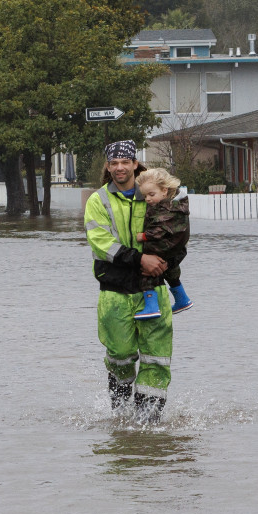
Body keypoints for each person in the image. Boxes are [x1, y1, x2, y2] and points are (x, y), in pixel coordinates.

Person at [84, 140, 172, 423]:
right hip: (115, 290)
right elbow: (100, 244)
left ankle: (148, 424)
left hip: (154, 288)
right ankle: (121, 414)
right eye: (114, 163)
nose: (119, 167)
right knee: (120, 354)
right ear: (108, 167)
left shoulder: (154, 195)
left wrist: (167, 260)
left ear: (135, 163)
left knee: (156, 358)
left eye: (125, 162)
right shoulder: (98, 200)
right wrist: (139, 259)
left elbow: (175, 229)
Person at [133, 168, 193, 320]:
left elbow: (160, 229)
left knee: (146, 271)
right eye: (145, 195)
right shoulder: (177, 204)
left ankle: (151, 306)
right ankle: (182, 299)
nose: (147, 199)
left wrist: (143, 236)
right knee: (170, 271)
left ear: (164, 191)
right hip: (175, 248)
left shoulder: (168, 208)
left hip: (162, 246)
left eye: (151, 195)